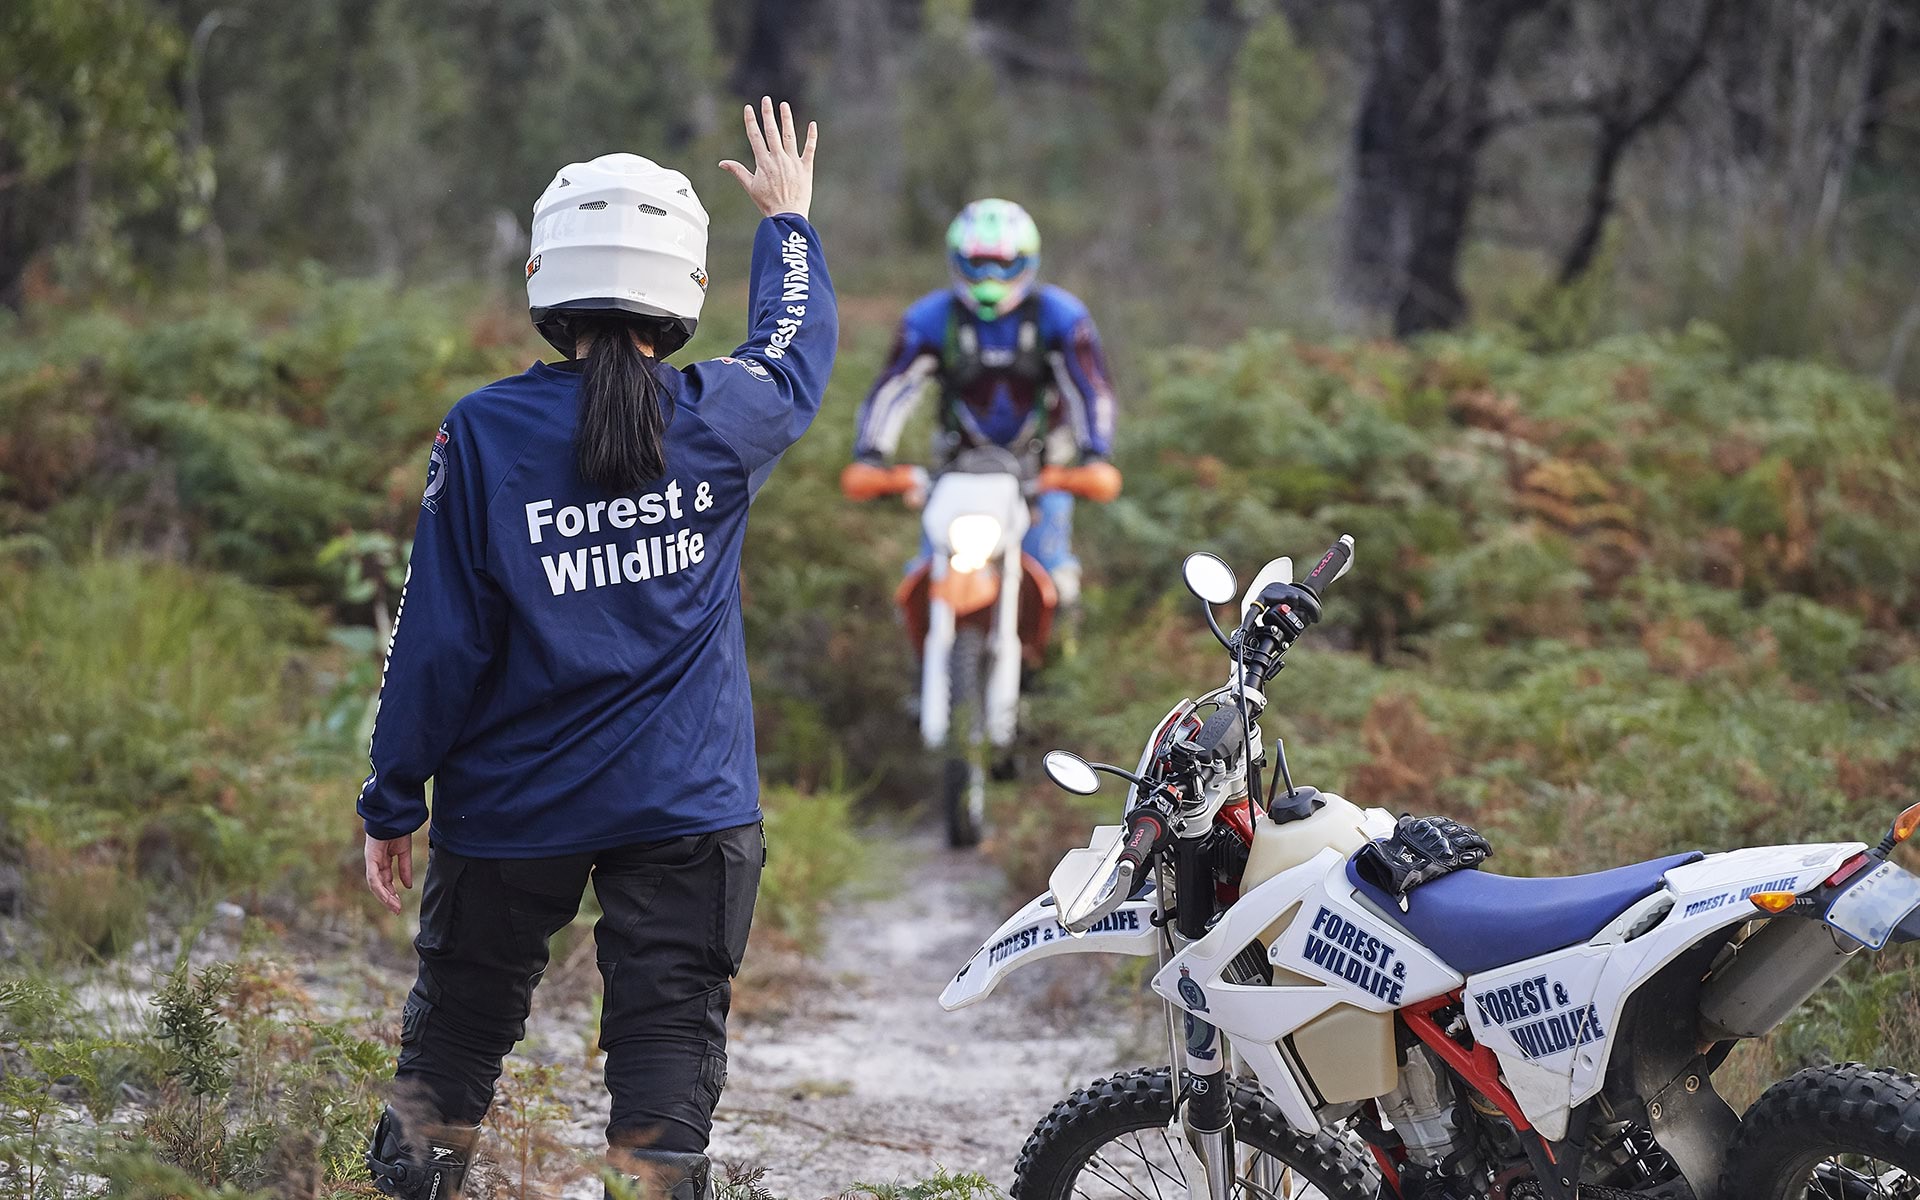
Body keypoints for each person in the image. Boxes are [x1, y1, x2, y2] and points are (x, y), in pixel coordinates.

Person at [356, 99, 832, 1200]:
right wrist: (789, 224)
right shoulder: (722, 415)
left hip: (510, 808)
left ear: (541, 275)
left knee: (453, 1051)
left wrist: (394, 796)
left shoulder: (480, 432)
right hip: (688, 808)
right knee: (666, 1068)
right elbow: (793, 354)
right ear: (686, 293)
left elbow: (436, 637)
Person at [849, 198, 1116, 605]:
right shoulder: (931, 319)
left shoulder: (1060, 317)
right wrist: (871, 455)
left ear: (1026, 262)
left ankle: (1064, 651)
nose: (990, 275)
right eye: (978, 263)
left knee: (1054, 576)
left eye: (1003, 263)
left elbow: (1089, 388)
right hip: (958, 467)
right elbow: (893, 387)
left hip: (1042, 469)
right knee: (925, 575)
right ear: (957, 261)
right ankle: (920, 654)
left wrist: (1095, 454)